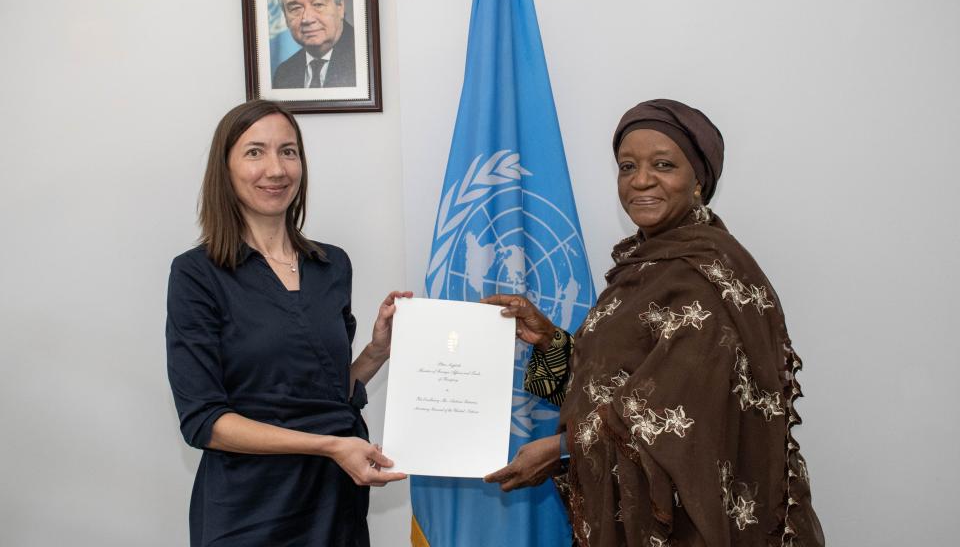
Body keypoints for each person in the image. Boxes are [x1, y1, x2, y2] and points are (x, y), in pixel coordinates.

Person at [484, 100, 823, 546]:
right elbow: (620, 387)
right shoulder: (645, 265)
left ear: (699, 180)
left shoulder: (706, 278)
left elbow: (677, 421)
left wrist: (562, 451)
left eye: (663, 165)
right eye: (627, 167)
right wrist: (549, 341)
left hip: (692, 527)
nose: (641, 181)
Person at [165, 99, 407, 546]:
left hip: (335, 504)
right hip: (249, 509)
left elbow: (324, 392)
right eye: (255, 152)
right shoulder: (197, 274)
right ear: (226, 169)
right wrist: (331, 446)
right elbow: (204, 421)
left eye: (288, 151)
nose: (275, 169)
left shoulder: (332, 265)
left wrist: (376, 351)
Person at [272, 0, 357, 89]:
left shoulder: (365, 58)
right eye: (295, 8)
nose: (307, 18)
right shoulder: (283, 73)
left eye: (318, 4)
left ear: (340, 8)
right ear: (285, 17)